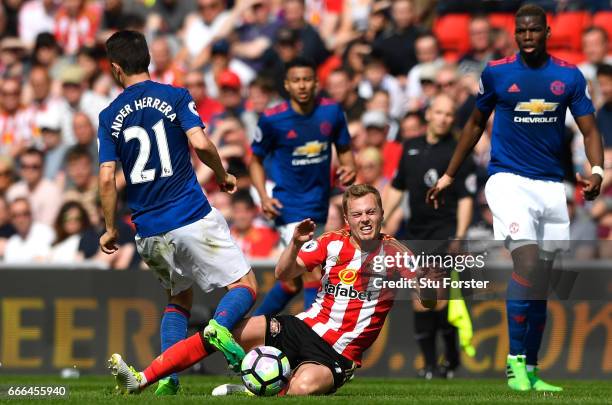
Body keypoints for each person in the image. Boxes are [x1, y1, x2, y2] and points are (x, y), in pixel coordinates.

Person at [108, 184, 441, 396]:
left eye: (371, 211)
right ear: (346, 218)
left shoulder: (398, 254)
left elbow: (426, 302)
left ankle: (252, 389)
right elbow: (285, 273)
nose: (365, 219)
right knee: (219, 333)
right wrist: (295, 245)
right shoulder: (330, 242)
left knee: (303, 387)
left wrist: (427, 284)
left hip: (338, 354)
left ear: (382, 213)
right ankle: (141, 379)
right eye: (358, 214)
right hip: (302, 327)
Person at [427, 4, 604, 392]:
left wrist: (597, 171)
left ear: (547, 31)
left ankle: (533, 367)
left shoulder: (568, 76)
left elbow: (590, 130)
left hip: (551, 187)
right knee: (525, 261)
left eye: (533, 31)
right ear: (514, 33)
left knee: (541, 279)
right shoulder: (497, 73)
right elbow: (474, 124)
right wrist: (448, 175)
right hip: (507, 180)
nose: (527, 37)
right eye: (520, 31)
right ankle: (513, 364)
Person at [97, 31, 258, 396]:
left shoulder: (109, 115)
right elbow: (200, 142)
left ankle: (168, 378)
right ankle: (219, 327)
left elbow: (107, 177)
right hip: (190, 214)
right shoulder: (175, 95)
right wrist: (223, 175)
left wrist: (109, 229)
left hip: (149, 230)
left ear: (115, 69)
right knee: (245, 286)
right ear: (148, 59)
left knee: (179, 299)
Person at [248, 56, 356, 317]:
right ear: (287, 85)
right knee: (312, 271)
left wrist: (349, 167)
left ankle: (251, 328)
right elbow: (255, 161)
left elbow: (344, 150)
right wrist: (263, 196)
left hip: (318, 205)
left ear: (317, 82)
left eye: (307, 79)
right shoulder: (273, 119)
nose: (302, 85)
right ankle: (313, 339)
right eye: (296, 80)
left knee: (292, 281)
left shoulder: (331, 112)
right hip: (289, 206)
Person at [383, 94, 476, 379]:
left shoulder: (459, 151)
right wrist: (381, 220)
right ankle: (434, 364)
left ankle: (444, 360)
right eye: (439, 112)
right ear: (429, 115)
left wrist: (459, 235)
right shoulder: (410, 147)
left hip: (444, 232)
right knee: (422, 298)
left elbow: (465, 197)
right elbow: (398, 188)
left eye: (449, 114)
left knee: (434, 295)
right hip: (416, 232)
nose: (444, 118)